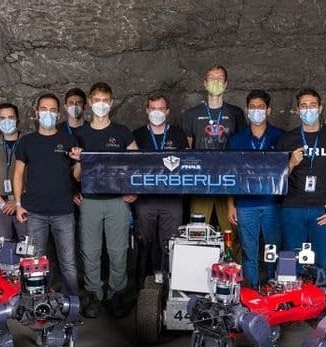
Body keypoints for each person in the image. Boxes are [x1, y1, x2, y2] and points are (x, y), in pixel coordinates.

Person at [75, 82, 138, 318]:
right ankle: (94, 293)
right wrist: (81, 160)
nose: (101, 105)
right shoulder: (80, 134)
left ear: (111, 103)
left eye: (105, 101)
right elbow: (74, 174)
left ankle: (117, 293)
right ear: (90, 102)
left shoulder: (122, 132)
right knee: (90, 251)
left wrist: (135, 191)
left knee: (118, 250)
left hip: (117, 200)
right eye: (96, 100)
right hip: (90, 200)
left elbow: (136, 165)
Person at [13, 93, 82, 297]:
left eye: (52, 110)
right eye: (44, 109)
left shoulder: (68, 139)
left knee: (68, 262)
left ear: (58, 113)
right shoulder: (27, 142)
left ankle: (73, 306)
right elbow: (17, 175)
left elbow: (76, 177)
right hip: (35, 212)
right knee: (36, 262)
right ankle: (38, 305)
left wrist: (80, 160)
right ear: (36, 113)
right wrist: (18, 203)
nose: (48, 113)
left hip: (63, 211)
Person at [276, 89, 326, 287]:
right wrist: (290, 164)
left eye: (312, 105)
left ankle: (324, 305)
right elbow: (277, 179)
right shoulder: (287, 139)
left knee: (322, 260)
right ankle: (292, 304)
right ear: (298, 110)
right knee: (291, 258)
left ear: (320, 108)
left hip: (323, 209)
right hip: (293, 207)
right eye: (304, 106)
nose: (308, 110)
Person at [182, 65, 246, 258]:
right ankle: (197, 277)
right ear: (204, 83)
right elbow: (187, 151)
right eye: (212, 78)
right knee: (197, 231)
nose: (215, 82)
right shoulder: (192, 114)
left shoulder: (235, 113)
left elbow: (242, 148)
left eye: (220, 79)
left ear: (226, 84)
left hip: (228, 182)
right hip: (201, 181)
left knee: (232, 232)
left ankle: (235, 275)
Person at [225, 90, 285, 286]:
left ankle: (273, 290)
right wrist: (230, 204)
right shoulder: (236, 139)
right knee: (249, 252)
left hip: (272, 203)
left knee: (273, 251)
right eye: (252, 107)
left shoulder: (280, 137)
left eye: (261, 107)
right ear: (246, 110)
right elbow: (230, 174)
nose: (256, 111)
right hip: (246, 204)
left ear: (269, 111)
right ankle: (251, 293)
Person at [131, 94, 187, 282]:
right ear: (147, 110)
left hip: (172, 199)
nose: (157, 112)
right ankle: (140, 287)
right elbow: (128, 167)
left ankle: (167, 289)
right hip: (145, 199)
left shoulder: (178, 134)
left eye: (161, 109)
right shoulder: (136, 135)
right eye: (153, 108)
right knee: (143, 244)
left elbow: (188, 164)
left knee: (170, 246)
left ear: (167, 111)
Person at [0, 102, 27, 268]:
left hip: (24, 202)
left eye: (10, 117)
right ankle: (7, 287)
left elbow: (33, 176)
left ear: (17, 119)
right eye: (2, 118)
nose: (6, 121)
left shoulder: (28, 143)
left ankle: (27, 287)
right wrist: (2, 203)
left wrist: (17, 201)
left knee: (28, 246)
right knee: (3, 248)